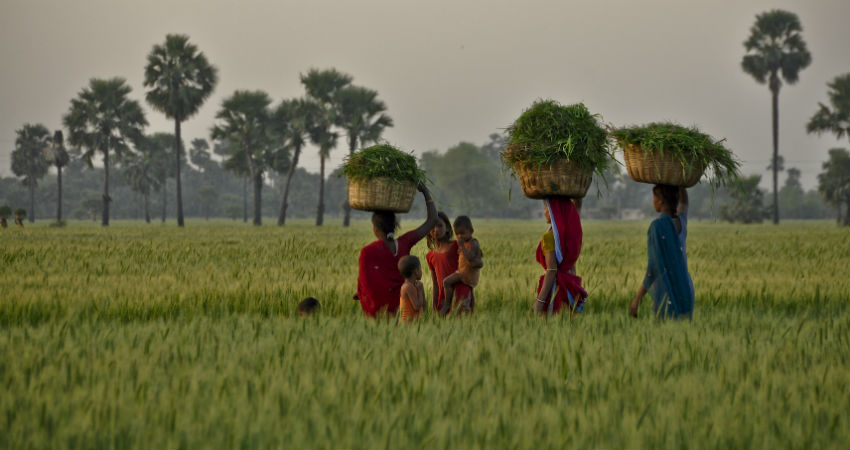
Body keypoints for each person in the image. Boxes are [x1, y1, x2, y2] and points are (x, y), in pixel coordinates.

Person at [355, 183, 438, 318]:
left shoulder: (367, 252)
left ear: (375, 229)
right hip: (406, 311)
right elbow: (433, 219)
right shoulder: (405, 242)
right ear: (395, 225)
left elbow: (366, 283)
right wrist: (425, 192)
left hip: (379, 315)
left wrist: (360, 292)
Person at [629, 185, 694, 320]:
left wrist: (637, 299)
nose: (653, 201)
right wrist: (680, 181)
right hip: (685, 289)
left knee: (664, 333)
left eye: (654, 197)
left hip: (666, 291)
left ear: (661, 200)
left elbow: (653, 268)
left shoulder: (657, 226)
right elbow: (684, 203)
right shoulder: (681, 221)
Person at [535, 197, 587, 316]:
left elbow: (552, 270)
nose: (545, 212)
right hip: (572, 288)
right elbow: (575, 207)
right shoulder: (572, 234)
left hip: (555, 290)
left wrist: (540, 300)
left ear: (554, 212)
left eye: (546, 208)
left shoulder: (549, 237)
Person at [426, 212, 475, 316]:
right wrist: (434, 306)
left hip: (460, 293)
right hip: (443, 296)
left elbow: (468, 268)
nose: (436, 230)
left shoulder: (456, 246)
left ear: (447, 227)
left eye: (440, 225)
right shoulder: (430, 255)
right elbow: (435, 284)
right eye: (432, 226)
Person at [441, 215, 483, 314]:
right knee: (447, 282)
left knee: (446, 282)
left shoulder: (473, 243)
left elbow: (471, 257)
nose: (460, 236)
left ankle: (447, 304)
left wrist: (462, 247)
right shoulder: (466, 242)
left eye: (462, 233)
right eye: (457, 234)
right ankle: (448, 303)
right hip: (462, 272)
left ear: (471, 231)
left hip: (465, 275)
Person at [397, 255, 426, 323]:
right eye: (420, 269)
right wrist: (420, 290)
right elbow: (417, 307)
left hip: (415, 323)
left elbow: (424, 306)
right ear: (416, 271)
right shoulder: (408, 287)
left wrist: (421, 289)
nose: (421, 271)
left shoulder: (416, 285)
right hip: (407, 325)